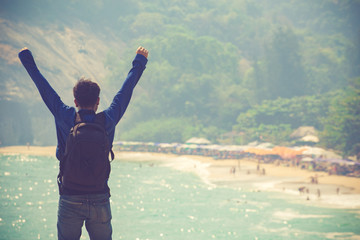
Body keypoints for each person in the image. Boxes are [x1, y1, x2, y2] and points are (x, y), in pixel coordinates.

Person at [18, 46, 149, 240]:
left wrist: (26, 58)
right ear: (97, 101)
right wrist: (139, 61)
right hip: (100, 197)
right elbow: (126, 91)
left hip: (70, 196)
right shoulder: (108, 119)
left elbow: (43, 88)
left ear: (75, 100)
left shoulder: (65, 116)